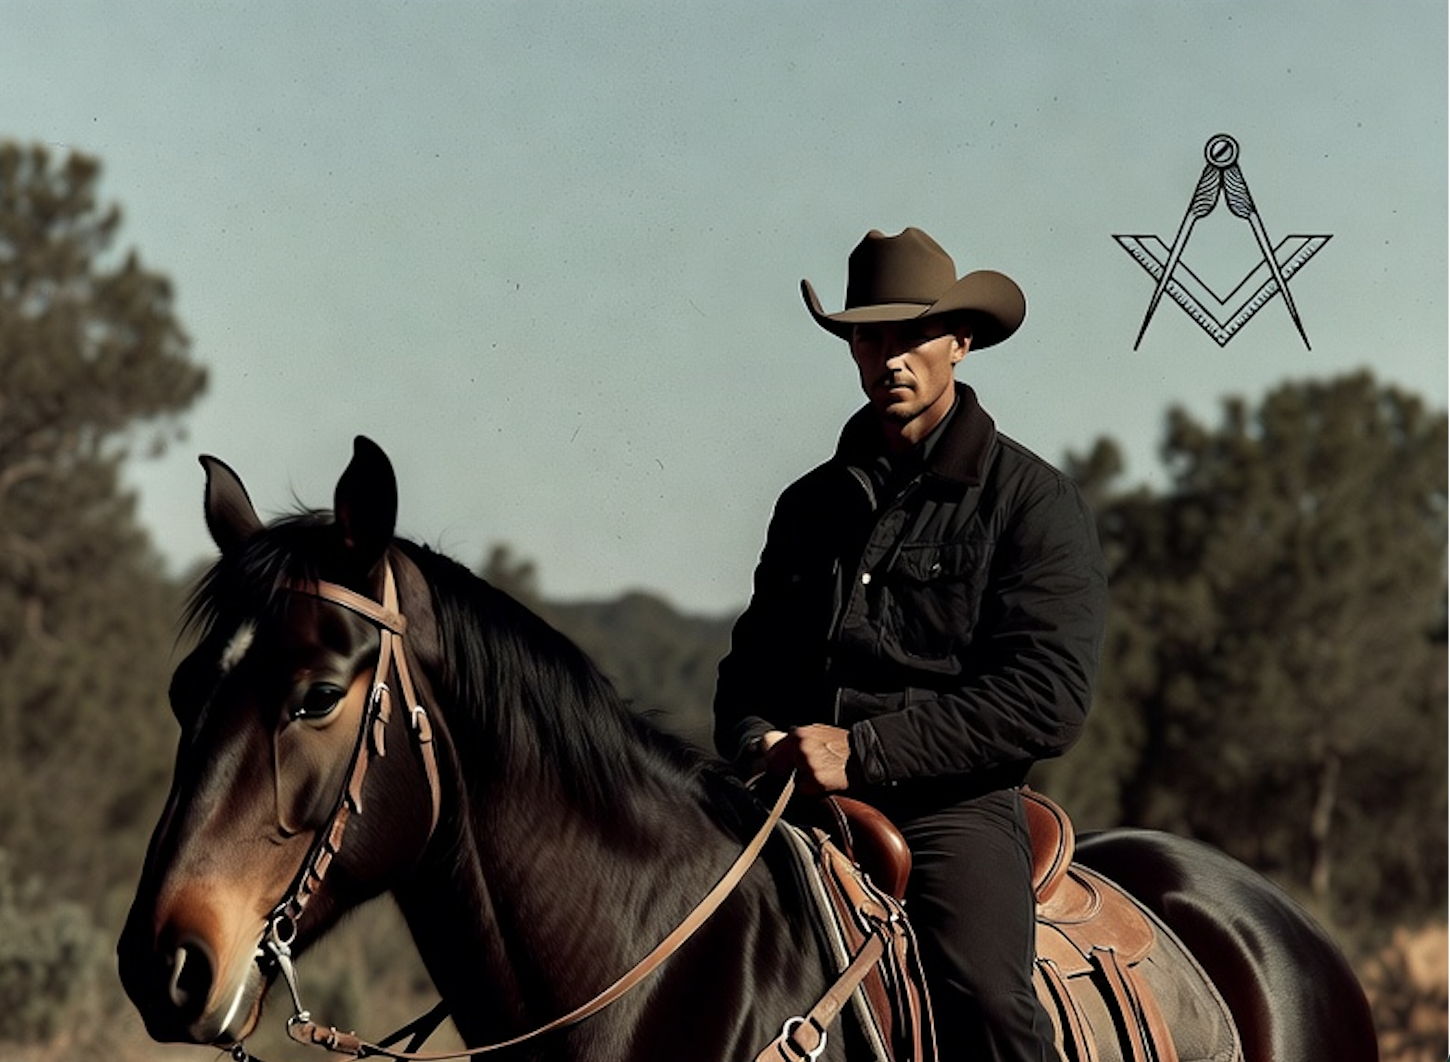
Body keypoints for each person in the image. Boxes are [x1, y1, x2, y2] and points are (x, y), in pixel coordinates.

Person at [714, 227, 1107, 1061]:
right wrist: (762, 741)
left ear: (960, 342)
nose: (889, 356)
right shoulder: (807, 506)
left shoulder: (1031, 501)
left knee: (988, 1003)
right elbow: (747, 676)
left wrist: (864, 752)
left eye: (911, 335)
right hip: (790, 797)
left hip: (949, 807)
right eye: (869, 335)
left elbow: (1046, 698)